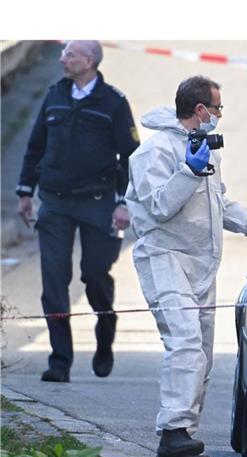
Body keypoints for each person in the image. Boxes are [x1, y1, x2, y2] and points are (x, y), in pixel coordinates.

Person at [125, 75, 247, 457]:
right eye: (217, 108)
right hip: (164, 257)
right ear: (199, 110)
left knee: (201, 353)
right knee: (183, 344)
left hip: (200, 262)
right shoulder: (154, 153)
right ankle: (173, 433)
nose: (219, 115)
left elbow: (218, 202)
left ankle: (185, 432)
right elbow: (160, 207)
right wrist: (187, 172)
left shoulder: (204, 150)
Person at [16, 40, 140, 383]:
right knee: (54, 280)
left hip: (98, 201)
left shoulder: (113, 102)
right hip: (54, 201)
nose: (62, 59)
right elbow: (35, 145)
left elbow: (131, 156)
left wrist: (123, 201)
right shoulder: (55, 95)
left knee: (95, 273)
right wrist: (25, 191)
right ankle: (60, 361)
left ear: (89, 61)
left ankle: (105, 324)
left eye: (69, 54)